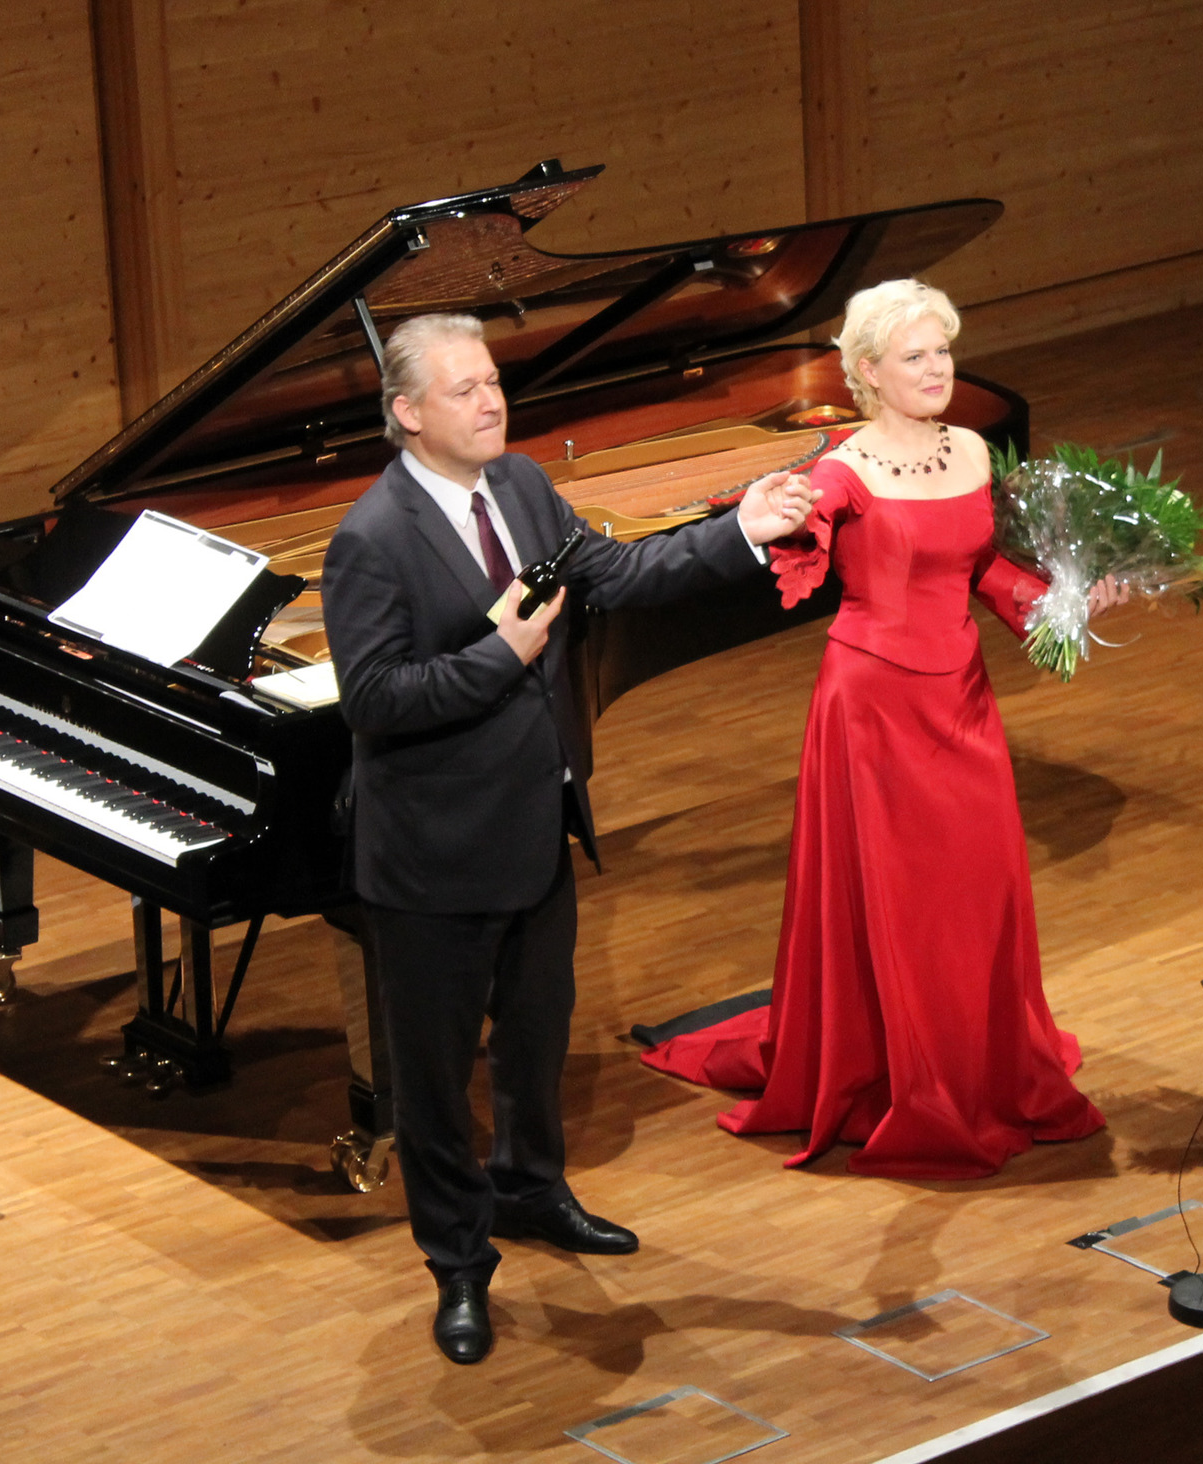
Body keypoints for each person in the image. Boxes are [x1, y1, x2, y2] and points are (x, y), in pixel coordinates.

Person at [320, 312, 815, 1364]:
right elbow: (371, 700)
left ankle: (532, 1194)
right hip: (432, 860)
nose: (491, 401)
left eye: (492, 381)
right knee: (437, 1079)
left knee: (537, 1045)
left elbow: (621, 578)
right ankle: (456, 1265)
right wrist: (498, 655)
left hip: (534, 834)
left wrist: (741, 530)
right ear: (407, 413)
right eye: (463, 390)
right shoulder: (369, 538)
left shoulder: (523, 489)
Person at [641, 278, 1116, 1179]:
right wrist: (783, 520)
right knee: (898, 900)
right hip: (874, 710)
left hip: (963, 699)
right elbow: (797, 529)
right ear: (866, 372)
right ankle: (906, 1077)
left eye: (943, 351)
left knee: (976, 891)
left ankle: (978, 1059)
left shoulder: (974, 451)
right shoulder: (841, 472)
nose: (937, 369)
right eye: (915, 356)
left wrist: (1071, 600)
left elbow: (986, 572)